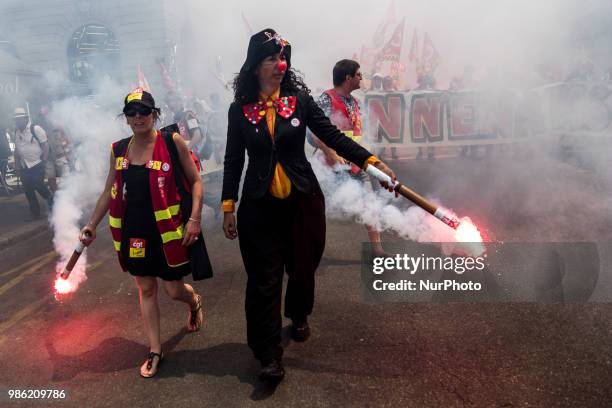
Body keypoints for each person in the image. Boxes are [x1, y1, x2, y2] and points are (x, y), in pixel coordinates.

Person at [222, 29, 397, 382]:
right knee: (264, 281)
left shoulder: (299, 100)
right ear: (255, 65)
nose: (280, 65)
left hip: (302, 200)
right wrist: (229, 205)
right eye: (271, 58)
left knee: (303, 268)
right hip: (258, 208)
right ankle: (269, 354)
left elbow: (332, 137)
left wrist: (370, 163)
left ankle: (298, 313)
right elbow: (231, 161)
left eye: (283, 57)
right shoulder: (238, 110)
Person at [79, 89, 205, 378]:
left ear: (154, 113)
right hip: (134, 233)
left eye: (144, 111)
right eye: (132, 112)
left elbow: (196, 182)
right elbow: (107, 194)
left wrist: (194, 219)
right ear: (126, 118)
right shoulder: (118, 150)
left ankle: (194, 301)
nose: (138, 117)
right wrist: (91, 225)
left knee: (174, 291)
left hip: (169, 232)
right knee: (146, 289)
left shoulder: (172, 143)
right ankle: (155, 350)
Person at [311, 59, 390, 258]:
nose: (361, 78)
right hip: (329, 167)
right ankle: (305, 250)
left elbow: (356, 135)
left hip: (355, 165)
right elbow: (313, 133)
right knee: (315, 209)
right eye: (358, 74)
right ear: (348, 78)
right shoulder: (326, 99)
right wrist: (331, 153)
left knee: (369, 202)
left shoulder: (355, 102)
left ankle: (378, 250)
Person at [12, 107, 53, 218]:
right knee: (28, 189)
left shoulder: (36, 129)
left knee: (37, 184)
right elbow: (17, 150)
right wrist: (17, 165)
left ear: (26, 118)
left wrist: (44, 160)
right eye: (16, 119)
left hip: (37, 162)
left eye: (20, 119)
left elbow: (45, 145)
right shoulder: (16, 131)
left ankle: (52, 202)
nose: (18, 121)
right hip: (24, 164)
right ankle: (35, 213)